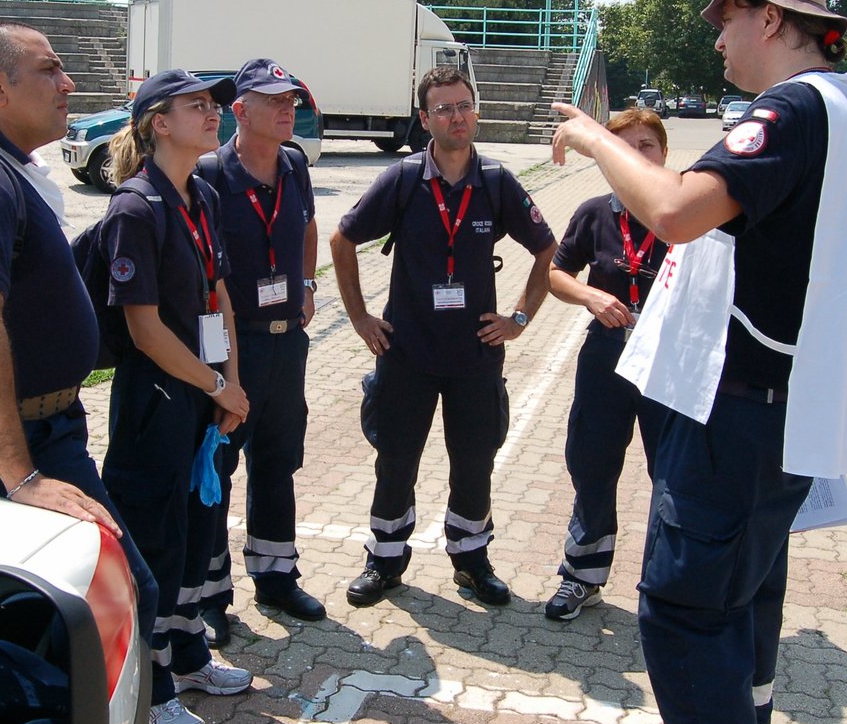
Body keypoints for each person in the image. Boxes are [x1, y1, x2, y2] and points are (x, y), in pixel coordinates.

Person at [551, 0, 847, 724]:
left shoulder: (793, 109)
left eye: (727, 19)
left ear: (769, 17)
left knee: (686, 606)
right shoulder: (844, 113)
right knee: (743, 597)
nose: (720, 41)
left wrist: (593, 139)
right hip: (773, 408)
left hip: (740, 412)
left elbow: (676, 212)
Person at [0, 20, 158, 724]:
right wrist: (21, 477)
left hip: (41, 431)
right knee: (104, 600)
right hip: (22, 444)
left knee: (49, 619)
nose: (67, 84)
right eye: (48, 70)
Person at [331, 65, 556, 609]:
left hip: (476, 356)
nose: (457, 116)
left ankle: (472, 561)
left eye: (464, 105)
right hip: (406, 351)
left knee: (475, 462)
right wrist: (360, 318)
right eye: (444, 109)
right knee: (396, 461)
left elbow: (548, 249)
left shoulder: (497, 180)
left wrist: (519, 319)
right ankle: (385, 561)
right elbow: (341, 239)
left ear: (475, 109)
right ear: (425, 119)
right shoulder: (404, 179)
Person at [96, 69, 255, 724]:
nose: (212, 113)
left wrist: (231, 382)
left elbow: (217, 294)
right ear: (158, 123)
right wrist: (216, 386)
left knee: (194, 532)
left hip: (200, 395)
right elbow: (145, 330)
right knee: (153, 545)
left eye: (214, 103)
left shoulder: (203, 195)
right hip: (154, 401)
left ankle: (188, 655)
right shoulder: (134, 208)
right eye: (197, 105)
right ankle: (149, 687)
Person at [196, 59, 326, 641]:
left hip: (285, 345)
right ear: (240, 112)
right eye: (274, 100)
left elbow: (307, 228)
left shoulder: (295, 163)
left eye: (292, 100)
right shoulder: (208, 175)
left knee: (278, 462)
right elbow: (197, 271)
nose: (287, 108)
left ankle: (275, 576)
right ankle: (209, 593)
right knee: (216, 471)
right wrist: (219, 367)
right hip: (232, 346)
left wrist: (308, 283)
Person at [543, 107, 672, 622]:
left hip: (669, 362)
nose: (638, 157)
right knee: (592, 463)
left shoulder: (686, 210)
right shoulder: (595, 212)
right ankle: (583, 577)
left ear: (665, 154)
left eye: (648, 147)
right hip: (608, 355)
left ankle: (666, 591)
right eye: (625, 148)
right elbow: (556, 274)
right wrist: (591, 296)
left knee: (674, 477)